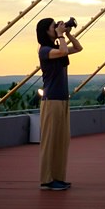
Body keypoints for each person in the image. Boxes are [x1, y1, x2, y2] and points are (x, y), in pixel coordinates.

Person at [36, 17, 82, 191]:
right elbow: (63, 52)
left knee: (62, 141)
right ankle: (46, 180)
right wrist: (61, 35)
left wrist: (68, 34)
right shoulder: (45, 51)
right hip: (51, 101)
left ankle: (58, 177)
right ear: (46, 31)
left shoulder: (56, 47)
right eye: (52, 26)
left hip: (62, 99)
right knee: (50, 141)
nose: (56, 27)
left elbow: (78, 48)